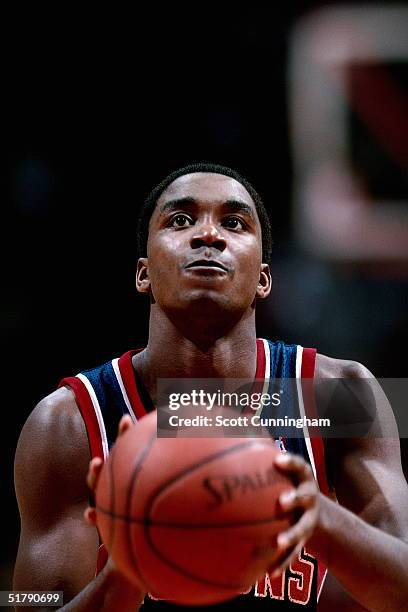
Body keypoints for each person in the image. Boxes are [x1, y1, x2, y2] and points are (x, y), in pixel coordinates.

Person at [13, 163, 408, 611]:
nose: (208, 236)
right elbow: (27, 602)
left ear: (263, 279)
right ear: (143, 274)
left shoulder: (338, 395)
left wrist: (319, 518)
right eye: (180, 220)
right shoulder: (69, 422)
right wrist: (125, 572)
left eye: (234, 223)